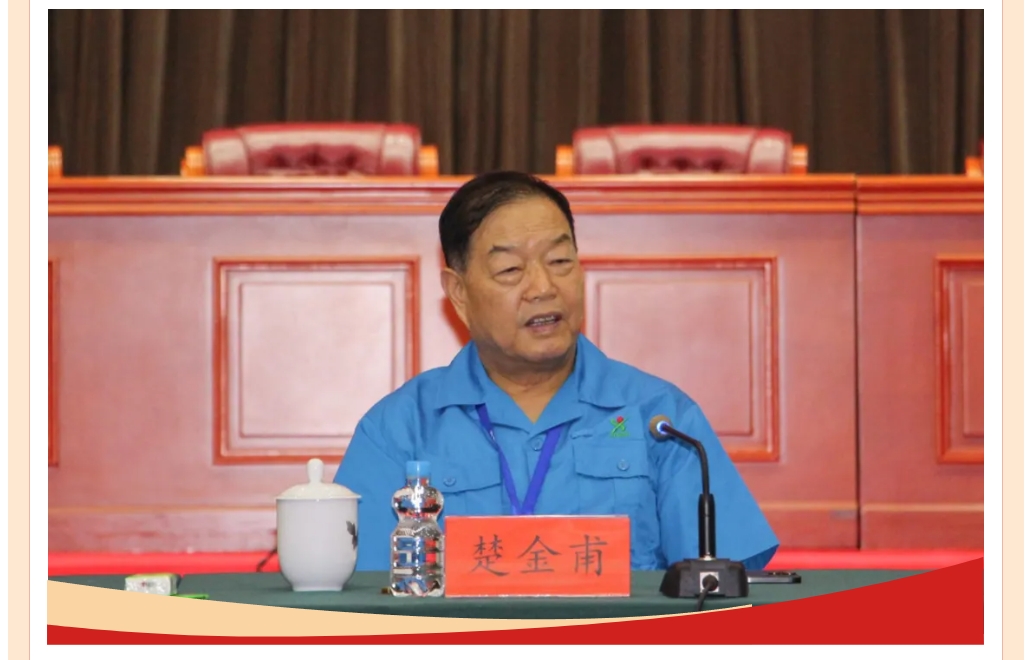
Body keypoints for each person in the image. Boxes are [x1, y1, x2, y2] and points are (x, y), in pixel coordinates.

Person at [333, 171, 779, 572]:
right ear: (459, 293)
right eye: (510, 269)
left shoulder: (660, 419)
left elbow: (722, 589)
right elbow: (363, 598)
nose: (544, 287)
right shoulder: (399, 430)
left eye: (560, 261)